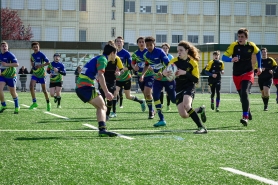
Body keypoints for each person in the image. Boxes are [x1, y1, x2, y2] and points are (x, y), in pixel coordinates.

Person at [163, 41, 207, 134]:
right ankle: (200, 109)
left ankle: (201, 128)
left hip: (189, 86)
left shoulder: (193, 63)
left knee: (187, 105)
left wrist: (185, 73)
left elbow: (196, 79)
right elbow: (166, 71)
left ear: (187, 51)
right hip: (178, 88)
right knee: (184, 115)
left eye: (181, 50)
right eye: (177, 50)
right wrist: (165, 73)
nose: (179, 52)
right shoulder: (173, 61)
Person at [75, 43, 117, 137]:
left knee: (102, 106)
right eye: (116, 53)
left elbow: (96, 74)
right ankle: (102, 129)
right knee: (102, 107)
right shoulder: (103, 59)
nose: (116, 56)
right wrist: (107, 92)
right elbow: (101, 75)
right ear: (112, 53)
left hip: (82, 86)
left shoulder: (99, 58)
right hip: (85, 87)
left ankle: (102, 128)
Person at [222, 28, 262, 126]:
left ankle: (245, 117)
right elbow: (223, 57)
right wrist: (231, 59)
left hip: (248, 72)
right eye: (238, 37)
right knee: (242, 96)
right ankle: (248, 111)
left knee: (244, 92)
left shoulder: (251, 45)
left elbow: (258, 53)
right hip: (236, 74)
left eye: (242, 37)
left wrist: (259, 66)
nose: (240, 38)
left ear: (246, 37)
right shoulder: (233, 46)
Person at [141, 36, 175, 127]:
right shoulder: (146, 55)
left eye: (150, 45)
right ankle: (161, 119)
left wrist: (163, 73)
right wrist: (143, 75)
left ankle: (193, 106)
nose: (148, 47)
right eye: (147, 45)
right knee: (156, 96)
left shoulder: (160, 52)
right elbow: (146, 65)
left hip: (167, 78)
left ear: (154, 44)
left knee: (174, 100)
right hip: (157, 79)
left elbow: (168, 64)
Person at [113, 36, 146, 118]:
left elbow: (132, 66)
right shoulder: (113, 53)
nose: (119, 43)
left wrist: (122, 69)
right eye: (117, 41)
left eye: (120, 41)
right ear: (115, 43)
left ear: (123, 43)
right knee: (114, 93)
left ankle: (141, 101)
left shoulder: (126, 53)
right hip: (118, 78)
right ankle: (113, 112)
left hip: (126, 77)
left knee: (128, 96)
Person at [98, 41, 124, 120]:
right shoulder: (103, 58)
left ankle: (107, 114)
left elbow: (121, 69)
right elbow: (98, 70)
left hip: (112, 80)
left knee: (110, 98)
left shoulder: (117, 59)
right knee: (102, 97)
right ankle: (103, 112)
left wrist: (118, 72)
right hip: (103, 78)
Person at [131, 37, 155, 119]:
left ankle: (151, 111)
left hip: (149, 75)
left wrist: (152, 67)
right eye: (140, 42)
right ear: (137, 44)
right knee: (145, 95)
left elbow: (153, 62)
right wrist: (134, 67)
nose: (141, 43)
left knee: (147, 92)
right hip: (140, 76)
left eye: (143, 42)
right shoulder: (135, 54)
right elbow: (133, 63)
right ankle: (152, 109)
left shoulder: (148, 52)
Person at [29, 42, 51, 111]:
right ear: (32, 48)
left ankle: (48, 102)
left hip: (41, 74)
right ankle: (34, 102)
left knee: (44, 90)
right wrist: (33, 66)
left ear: (39, 47)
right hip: (35, 74)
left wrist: (41, 65)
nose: (35, 48)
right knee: (31, 86)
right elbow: (32, 61)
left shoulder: (42, 54)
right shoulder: (32, 55)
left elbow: (48, 62)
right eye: (34, 47)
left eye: (37, 47)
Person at [0, 41, 20, 114]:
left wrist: (6, 64)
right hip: (2, 76)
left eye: (5, 46)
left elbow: (17, 64)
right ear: (0, 48)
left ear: (7, 47)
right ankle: (3, 105)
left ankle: (17, 106)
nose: (4, 47)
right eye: (3, 46)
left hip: (11, 76)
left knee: (12, 92)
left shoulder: (10, 55)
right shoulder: (0, 55)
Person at [160, 43, 174, 111]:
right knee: (161, 90)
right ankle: (161, 104)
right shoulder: (159, 56)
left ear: (168, 49)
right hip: (161, 76)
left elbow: (173, 66)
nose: (165, 49)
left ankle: (168, 105)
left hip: (168, 76)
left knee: (168, 92)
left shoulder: (171, 57)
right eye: (163, 48)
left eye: (166, 48)